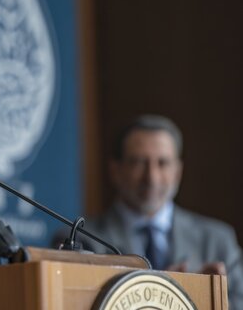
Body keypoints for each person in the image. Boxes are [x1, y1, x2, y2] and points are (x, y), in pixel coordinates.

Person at [53, 114, 243, 307]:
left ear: (178, 171)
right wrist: (162, 288)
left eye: (163, 163)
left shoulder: (218, 240)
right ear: (115, 170)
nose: (151, 177)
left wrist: (206, 295)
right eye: (139, 163)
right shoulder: (81, 240)